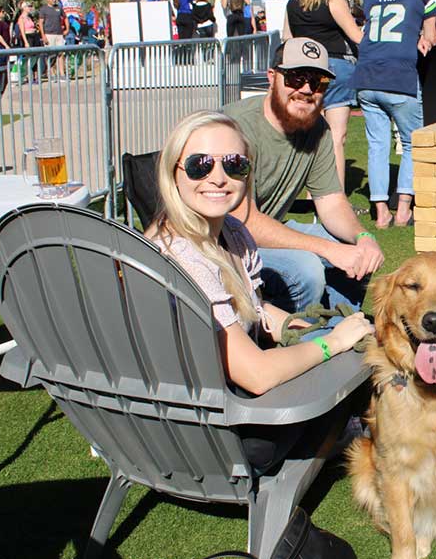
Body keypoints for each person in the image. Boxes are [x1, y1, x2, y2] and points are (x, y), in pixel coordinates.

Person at [146, 111, 372, 548]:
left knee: (334, 343)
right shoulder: (188, 258)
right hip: (216, 440)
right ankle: (322, 451)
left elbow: (249, 306)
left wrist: (292, 322)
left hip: (168, 418)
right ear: (173, 172)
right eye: (199, 164)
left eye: (234, 165)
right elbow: (257, 374)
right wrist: (331, 343)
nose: (218, 177)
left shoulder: (227, 233)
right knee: (344, 372)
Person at [223, 37, 385, 314]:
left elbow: (332, 201)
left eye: (318, 82)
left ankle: (340, 329)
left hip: (261, 229)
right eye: (296, 78)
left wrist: (363, 236)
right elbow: (241, 219)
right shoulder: (234, 129)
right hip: (220, 239)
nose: (306, 89)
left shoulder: (318, 130)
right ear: (272, 77)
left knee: (358, 252)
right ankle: (299, 344)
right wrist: (326, 249)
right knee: (306, 269)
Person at [355, 0, 436, 229]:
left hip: (367, 74)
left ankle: (380, 213)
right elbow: (432, 35)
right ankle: (403, 210)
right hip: (399, 75)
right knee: (411, 144)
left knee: (377, 145)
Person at [284, 0, 364, 190]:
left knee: (311, 137)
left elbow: (287, 39)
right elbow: (357, 37)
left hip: (305, 71)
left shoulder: (293, 2)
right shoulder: (333, 0)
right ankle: (336, 197)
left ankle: (312, 193)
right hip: (336, 67)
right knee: (336, 137)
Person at [38, 0, 67, 80]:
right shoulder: (43, 9)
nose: (54, 0)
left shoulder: (59, 8)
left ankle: (62, 74)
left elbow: (65, 18)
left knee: (61, 54)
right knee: (51, 55)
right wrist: (43, 35)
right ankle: (51, 74)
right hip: (49, 34)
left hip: (59, 34)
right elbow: (40, 22)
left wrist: (67, 29)